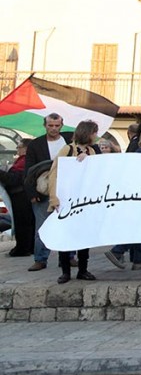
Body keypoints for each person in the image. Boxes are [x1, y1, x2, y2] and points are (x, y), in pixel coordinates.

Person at [47, 120, 100, 284]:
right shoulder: (68, 149)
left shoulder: (92, 151)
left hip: (86, 200)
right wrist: (54, 198)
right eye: (94, 132)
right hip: (67, 200)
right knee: (66, 236)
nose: (96, 136)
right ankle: (65, 272)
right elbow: (55, 173)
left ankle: (83, 270)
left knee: (84, 237)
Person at [105, 124, 141, 271]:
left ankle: (139, 259)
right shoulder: (140, 155)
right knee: (139, 227)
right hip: (139, 197)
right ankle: (118, 251)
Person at [24, 113, 73, 272]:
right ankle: (40, 259)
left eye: (56, 125)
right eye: (50, 125)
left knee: (67, 224)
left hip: (66, 190)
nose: (53, 128)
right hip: (43, 191)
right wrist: (32, 194)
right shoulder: (35, 145)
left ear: (61, 125)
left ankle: (68, 257)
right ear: (45, 125)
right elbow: (29, 170)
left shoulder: (69, 142)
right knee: (42, 227)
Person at [1, 140, 32, 257]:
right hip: (19, 196)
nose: (17, 149)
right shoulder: (21, 161)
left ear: (26, 148)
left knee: (22, 224)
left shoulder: (24, 162)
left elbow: (14, 180)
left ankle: (23, 248)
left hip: (21, 196)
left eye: (19, 147)